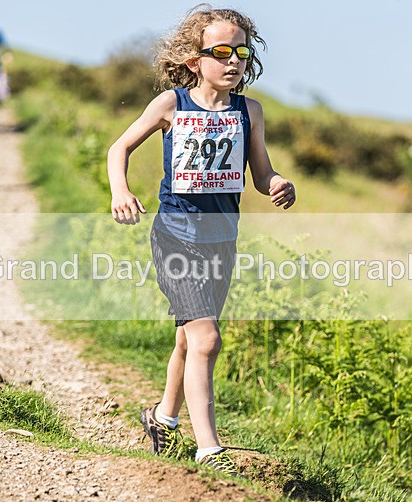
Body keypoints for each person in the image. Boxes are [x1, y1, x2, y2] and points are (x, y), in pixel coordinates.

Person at [107, 6, 296, 475]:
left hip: (221, 240)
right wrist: (121, 191)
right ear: (195, 60)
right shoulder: (172, 104)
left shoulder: (249, 112)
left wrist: (276, 183)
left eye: (241, 53)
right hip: (175, 236)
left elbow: (261, 171)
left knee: (189, 340)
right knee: (207, 338)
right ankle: (209, 449)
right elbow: (119, 148)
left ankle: (163, 419)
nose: (233, 62)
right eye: (222, 52)